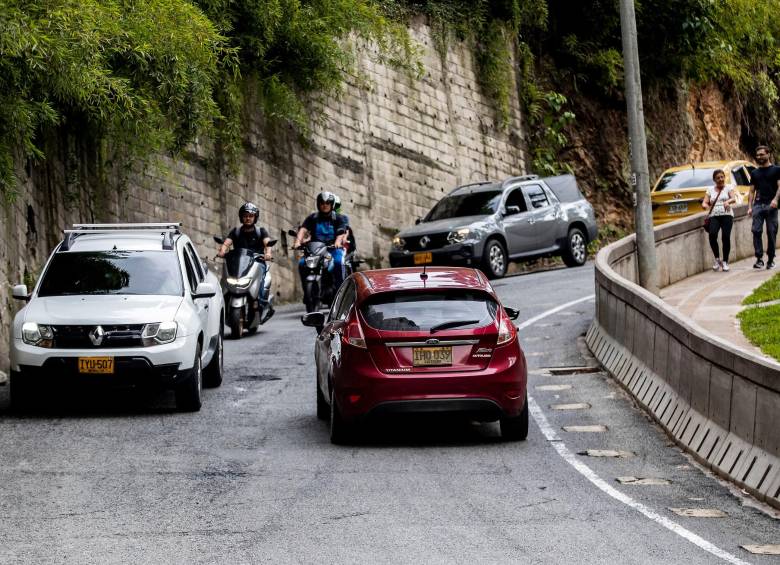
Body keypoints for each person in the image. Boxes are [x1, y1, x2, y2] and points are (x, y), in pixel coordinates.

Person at [217, 202, 274, 312]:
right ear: (241, 217)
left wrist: (268, 253)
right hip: (240, 265)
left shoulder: (260, 231)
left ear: (255, 217)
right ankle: (223, 303)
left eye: (251, 216)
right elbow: (226, 243)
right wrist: (222, 251)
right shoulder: (236, 231)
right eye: (245, 216)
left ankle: (261, 303)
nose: (248, 218)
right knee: (225, 280)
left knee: (261, 283)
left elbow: (267, 243)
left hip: (257, 263)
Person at [294, 191, 348, 290]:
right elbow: (303, 229)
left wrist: (337, 242)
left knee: (338, 262)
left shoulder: (338, 218)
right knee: (302, 264)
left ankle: (341, 290)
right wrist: (297, 242)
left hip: (333, 249)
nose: (325, 206)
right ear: (318, 204)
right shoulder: (313, 217)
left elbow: (342, 231)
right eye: (322, 203)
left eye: (327, 203)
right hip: (316, 250)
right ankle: (306, 291)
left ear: (332, 205)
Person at [747, 146, 780, 269]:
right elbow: (751, 191)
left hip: (771, 205)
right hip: (758, 205)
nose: (759, 157)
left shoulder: (777, 170)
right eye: (758, 155)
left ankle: (771, 259)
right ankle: (759, 258)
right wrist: (750, 207)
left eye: (762, 154)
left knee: (771, 232)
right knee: (756, 231)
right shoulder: (754, 173)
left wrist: (776, 200)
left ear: (768, 154)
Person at [702, 169, 737, 272]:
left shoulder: (729, 187)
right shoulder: (710, 190)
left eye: (722, 177)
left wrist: (727, 202)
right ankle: (717, 259)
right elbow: (705, 202)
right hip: (714, 216)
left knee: (725, 237)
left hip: (727, 215)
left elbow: (733, 198)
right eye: (718, 178)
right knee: (712, 234)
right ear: (714, 179)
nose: (721, 179)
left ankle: (725, 261)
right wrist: (706, 206)